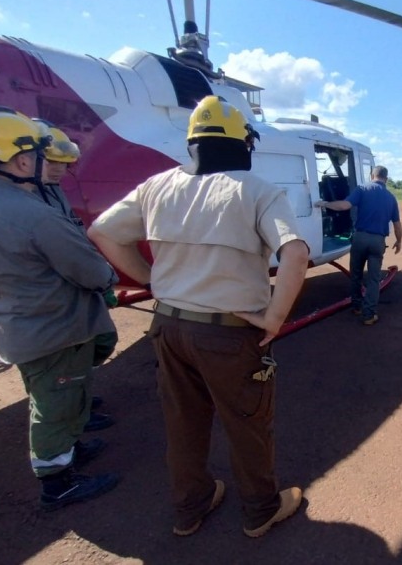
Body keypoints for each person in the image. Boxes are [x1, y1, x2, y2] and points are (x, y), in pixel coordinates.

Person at [88, 96, 309, 537]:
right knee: (247, 423)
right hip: (229, 334)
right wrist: (273, 318)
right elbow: (296, 253)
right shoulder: (258, 190)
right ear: (242, 143)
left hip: (168, 327)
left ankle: (191, 508)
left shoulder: (157, 185)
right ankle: (260, 509)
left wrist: (152, 280)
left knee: (183, 423)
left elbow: (103, 232)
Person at [0, 105, 120, 511]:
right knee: (54, 407)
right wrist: (109, 279)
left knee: (52, 397)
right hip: (53, 330)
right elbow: (88, 269)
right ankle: (57, 483)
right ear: (23, 159)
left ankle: (69, 449)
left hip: (17, 326)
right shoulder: (30, 213)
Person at [34, 118, 118, 430]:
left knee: (96, 344)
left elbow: (74, 235)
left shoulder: (51, 192)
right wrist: (101, 279)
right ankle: (60, 471)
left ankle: (76, 400)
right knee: (61, 368)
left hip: (76, 290)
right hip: (54, 299)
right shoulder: (27, 200)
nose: (58, 169)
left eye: (63, 162)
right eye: (52, 161)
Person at [316, 165, 402, 325]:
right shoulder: (391, 197)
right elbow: (397, 224)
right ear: (386, 179)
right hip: (378, 241)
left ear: (372, 175)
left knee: (356, 274)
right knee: (374, 279)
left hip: (360, 238)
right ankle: (369, 315)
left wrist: (324, 204)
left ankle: (357, 306)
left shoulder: (362, 189)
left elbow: (344, 205)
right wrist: (399, 241)